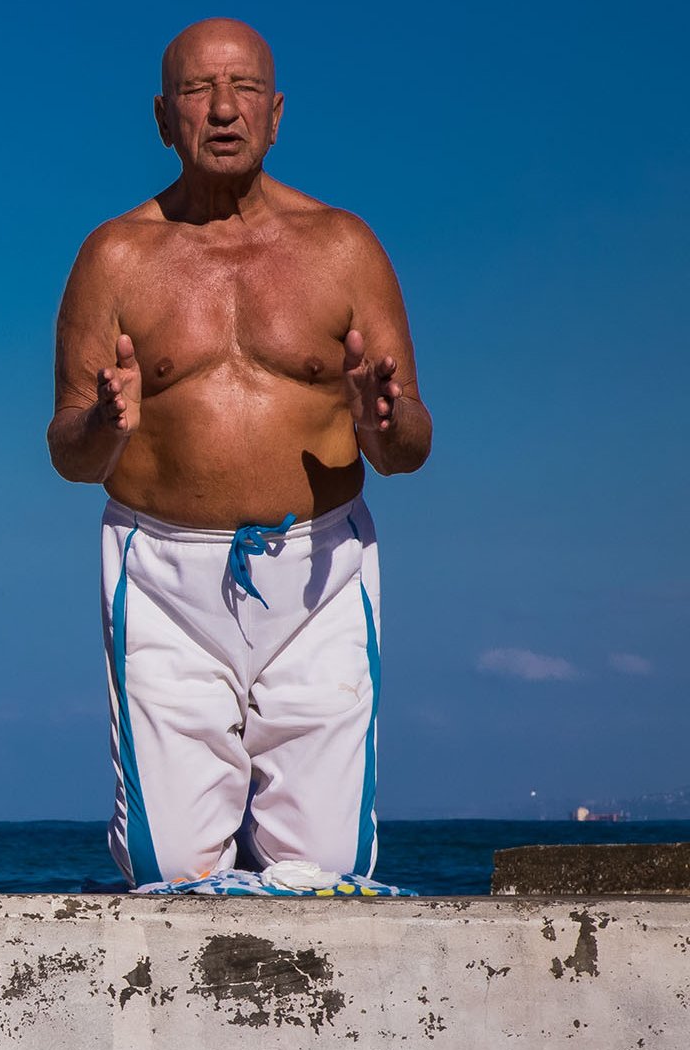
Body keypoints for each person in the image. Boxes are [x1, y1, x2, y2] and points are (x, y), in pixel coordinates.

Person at [48, 19, 432, 889]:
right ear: (161, 116)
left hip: (321, 572)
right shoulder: (113, 257)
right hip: (163, 578)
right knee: (170, 867)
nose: (223, 110)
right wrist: (106, 423)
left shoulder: (344, 247)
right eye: (196, 90)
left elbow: (410, 444)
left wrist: (382, 422)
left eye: (245, 89)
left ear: (277, 112)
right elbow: (69, 451)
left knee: (329, 868)